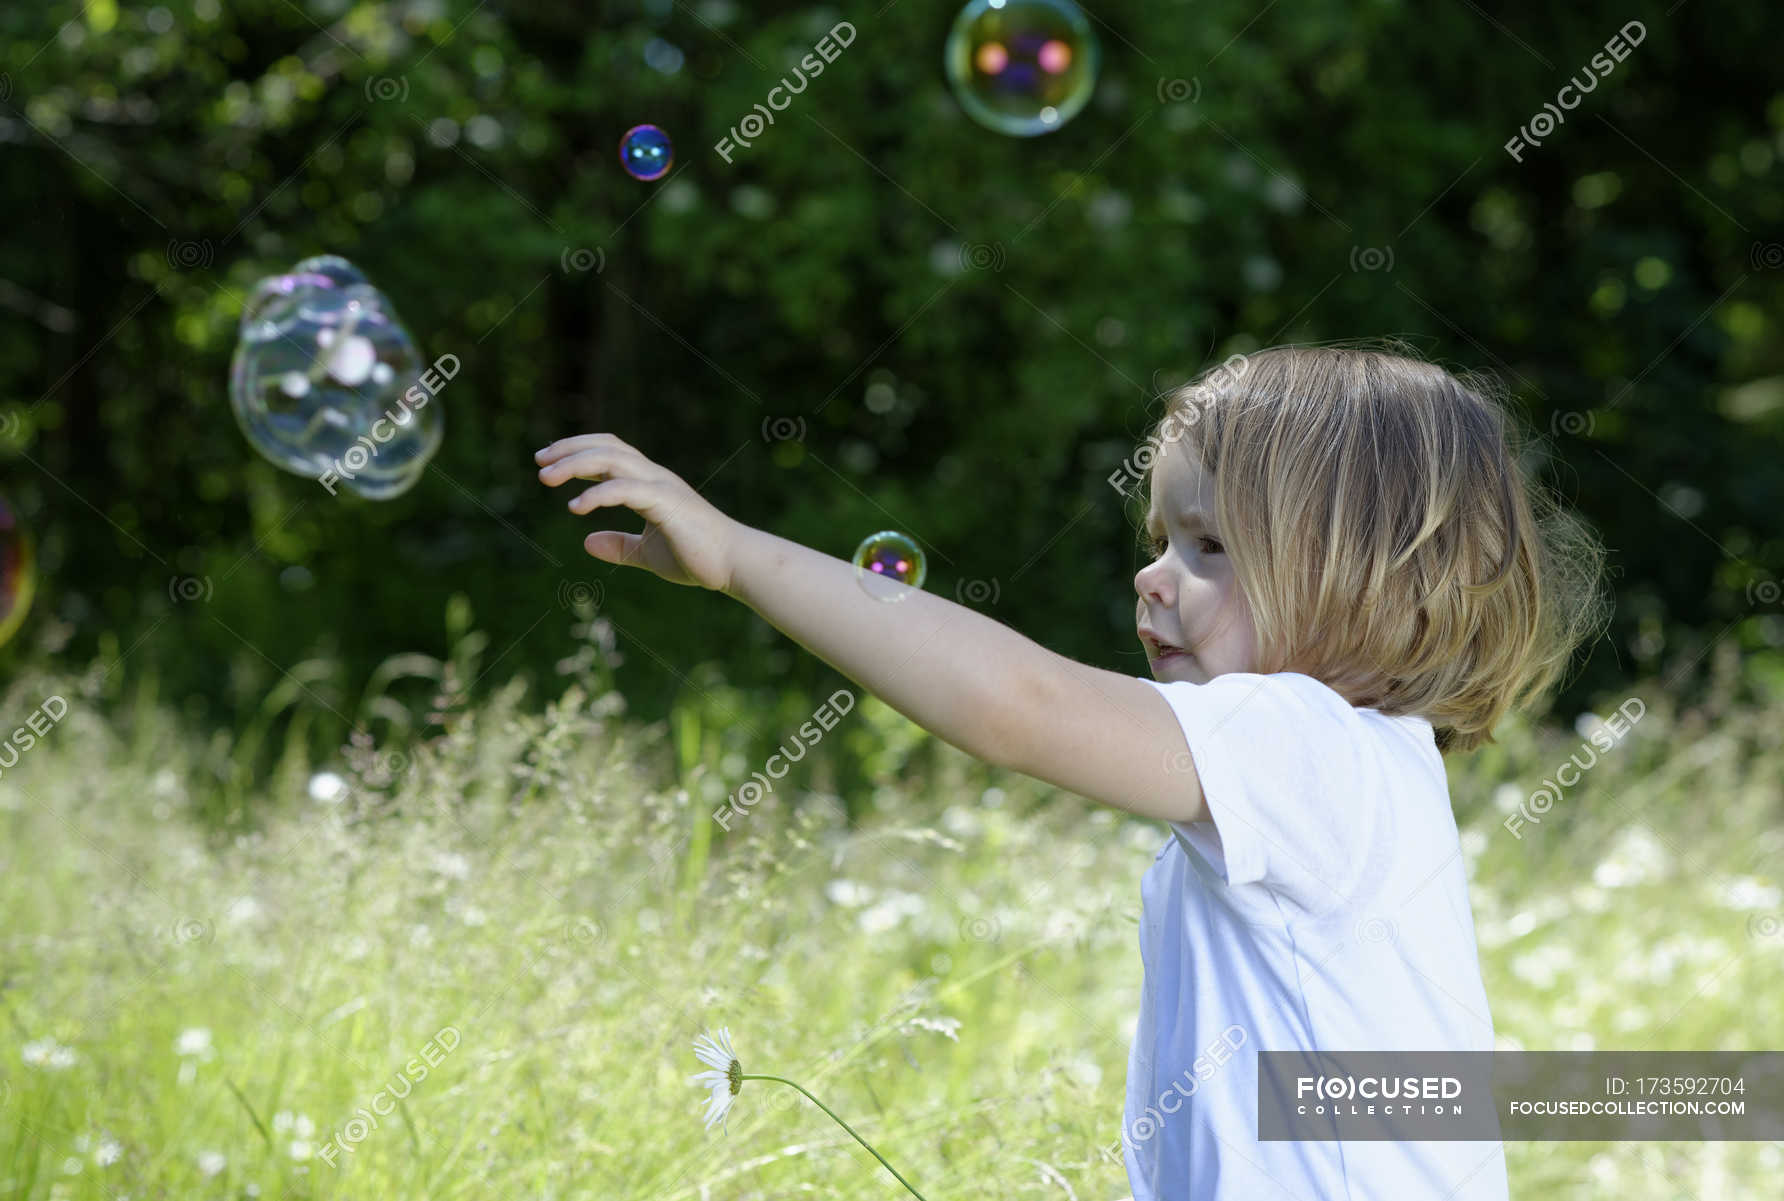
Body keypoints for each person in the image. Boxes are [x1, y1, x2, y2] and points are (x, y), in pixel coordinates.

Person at [533, 342, 1611, 1201]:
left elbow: (1019, 705)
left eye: (1209, 546)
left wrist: (739, 558)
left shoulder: (1306, 744)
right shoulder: (1355, 769)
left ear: (1378, 577)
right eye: (1161, 538)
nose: (1152, 574)